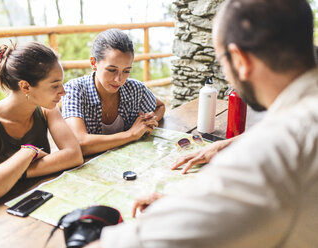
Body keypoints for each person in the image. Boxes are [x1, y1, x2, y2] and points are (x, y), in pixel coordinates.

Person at [86, 0, 318, 247]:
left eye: (222, 62)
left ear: (240, 60)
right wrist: (219, 153)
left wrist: (192, 210)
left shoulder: (270, 155)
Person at [0, 42, 83, 207]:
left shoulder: (47, 109)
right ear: (25, 86)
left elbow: (74, 156)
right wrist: (29, 152)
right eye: (55, 85)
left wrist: (13, 173)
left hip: (36, 200)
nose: (63, 91)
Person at [61, 29, 165, 156]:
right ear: (94, 63)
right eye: (111, 70)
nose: (119, 80)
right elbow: (79, 143)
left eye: (126, 71)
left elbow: (160, 106)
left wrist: (148, 123)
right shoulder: (74, 90)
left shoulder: (135, 89)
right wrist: (131, 134)